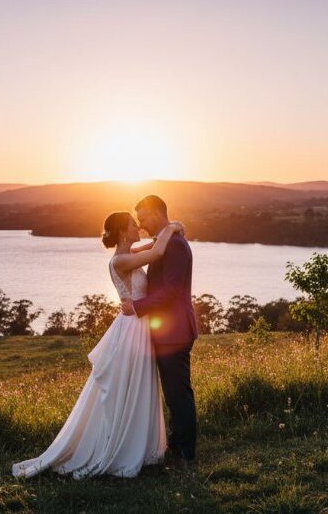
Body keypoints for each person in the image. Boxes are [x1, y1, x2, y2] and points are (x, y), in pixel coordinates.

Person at [11, 211, 185, 479]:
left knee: (137, 384)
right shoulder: (121, 260)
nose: (138, 226)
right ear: (123, 232)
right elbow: (157, 251)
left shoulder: (128, 252)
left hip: (138, 326)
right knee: (128, 384)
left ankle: (137, 443)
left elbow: (151, 245)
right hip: (132, 329)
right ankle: (120, 446)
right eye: (133, 224)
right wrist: (172, 226)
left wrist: (165, 232)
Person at [121, 194, 199, 464]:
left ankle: (186, 452)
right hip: (167, 331)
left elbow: (172, 290)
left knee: (178, 392)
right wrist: (172, 226)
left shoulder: (175, 245)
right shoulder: (164, 241)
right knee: (172, 391)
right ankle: (178, 444)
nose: (141, 225)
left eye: (142, 218)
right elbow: (130, 252)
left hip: (175, 332)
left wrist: (137, 306)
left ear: (156, 212)